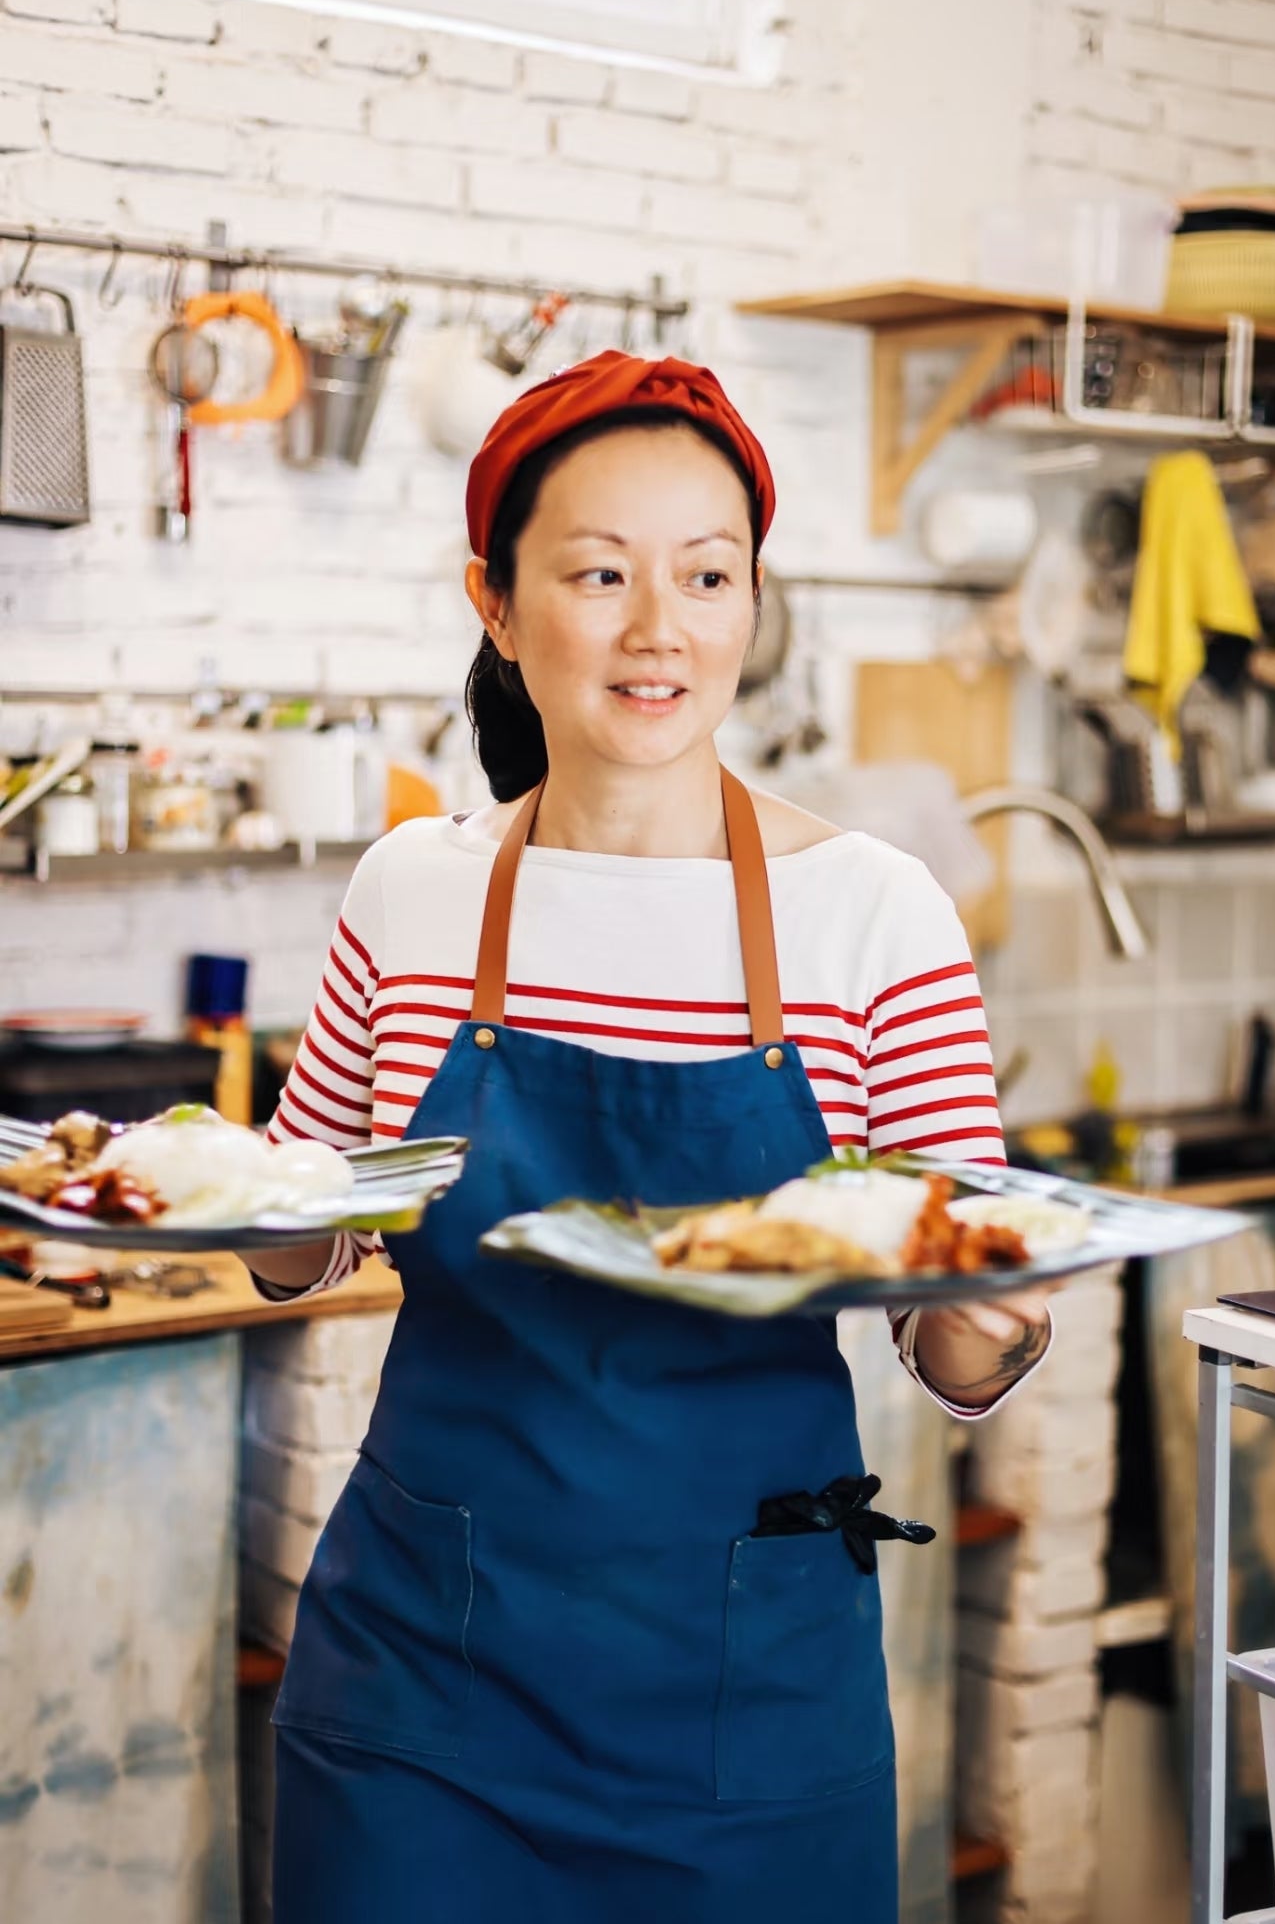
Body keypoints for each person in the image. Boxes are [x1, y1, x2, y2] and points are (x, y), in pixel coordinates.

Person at [243, 351, 1055, 1924]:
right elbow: (295, 1244)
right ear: (495, 600)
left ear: (753, 600)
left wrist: (999, 1303)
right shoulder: (412, 890)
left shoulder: (870, 915)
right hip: (424, 1680)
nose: (655, 627)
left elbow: (955, 1355)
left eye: (705, 573)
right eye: (598, 573)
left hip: (745, 1695)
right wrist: (202, 1202)